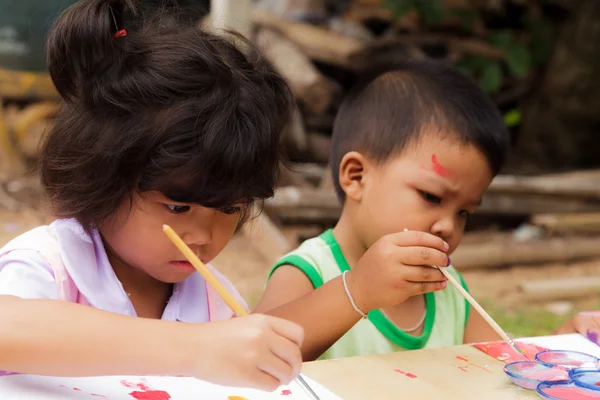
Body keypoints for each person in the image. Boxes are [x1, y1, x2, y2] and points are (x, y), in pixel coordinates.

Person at [0, 0, 304, 391]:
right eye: (178, 206)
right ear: (102, 176)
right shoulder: (52, 267)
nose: (203, 235)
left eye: (229, 208)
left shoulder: (213, 301)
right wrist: (194, 349)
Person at [254, 59, 511, 361]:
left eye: (464, 212)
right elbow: (254, 353)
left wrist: (562, 340)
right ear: (356, 177)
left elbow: (506, 366)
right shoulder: (308, 273)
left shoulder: (448, 291)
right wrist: (358, 291)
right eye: (431, 196)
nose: (448, 226)